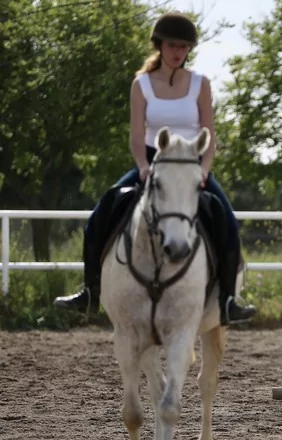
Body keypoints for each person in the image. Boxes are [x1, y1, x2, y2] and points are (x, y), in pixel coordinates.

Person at [54, 12, 257, 325]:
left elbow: (210, 134)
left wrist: (204, 169)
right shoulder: (142, 84)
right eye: (173, 45)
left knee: (227, 220)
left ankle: (228, 299)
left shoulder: (201, 84)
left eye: (184, 47)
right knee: (100, 214)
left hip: (191, 164)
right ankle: (90, 292)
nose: (178, 52)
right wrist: (144, 167)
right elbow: (136, 137)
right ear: (160, 45)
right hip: (152, 163)